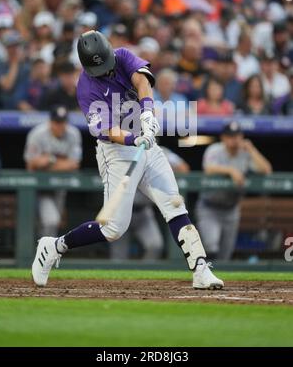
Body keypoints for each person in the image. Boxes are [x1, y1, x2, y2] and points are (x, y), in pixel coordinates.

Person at [32, 29, 223, 290]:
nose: (107, 72)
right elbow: (109, 131)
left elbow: (142, 81)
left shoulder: (122, 56)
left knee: (173, 205)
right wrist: (134, 139)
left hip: (147, 144)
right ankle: (54, 246)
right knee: (113, 229)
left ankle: (201, 269)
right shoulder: (86, 88)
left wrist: (146, 114)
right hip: (117, 153)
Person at [195, 121, 272, 261]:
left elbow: (266, 170)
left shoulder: (245, 153)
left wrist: (252, 150)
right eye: (230, 136)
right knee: (211, 245)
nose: (233, 139)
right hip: (209, 207)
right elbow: (208, 168)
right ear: (223, 138)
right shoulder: (215, 149)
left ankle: (220, 281)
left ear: (241, 137)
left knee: (225, 255)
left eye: (236, 136)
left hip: (231, 210)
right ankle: (204, 277)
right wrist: (230, 170)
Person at [24, 106, 82, 237]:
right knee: (51, 221)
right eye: (57, 122)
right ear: (50, 121)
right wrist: (62, 162)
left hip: (60, 188)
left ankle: (46, 254)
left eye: (63, 122)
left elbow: (74, 164)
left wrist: (49, 160)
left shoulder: (73, 134)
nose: (60, 126)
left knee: (52, 224)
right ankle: (44, 253)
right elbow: (31, 164)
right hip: (39, 187)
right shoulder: (37, 134)